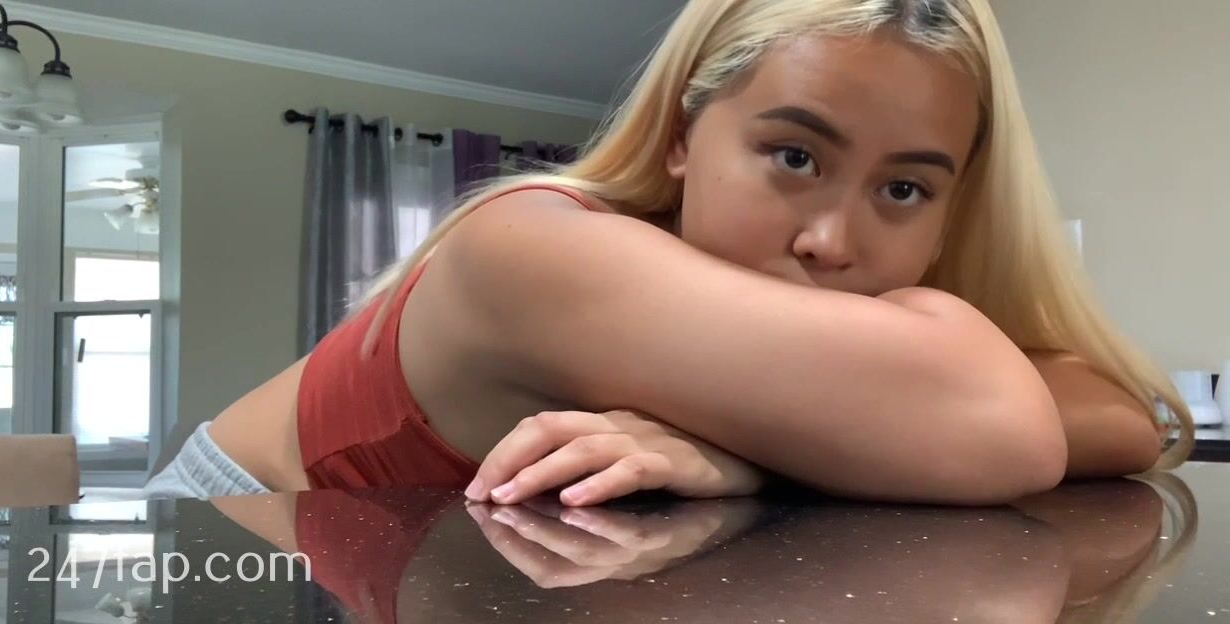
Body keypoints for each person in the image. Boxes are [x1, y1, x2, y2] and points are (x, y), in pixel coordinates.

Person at [144, 0, 1193, 507]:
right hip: (228, 554)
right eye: (793, 156)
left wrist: (741, 450)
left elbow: (1124, 414)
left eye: (904, 189)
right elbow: (998, 420)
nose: (831, 241)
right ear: (684, 137)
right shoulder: (526, 248)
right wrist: (816, 431)